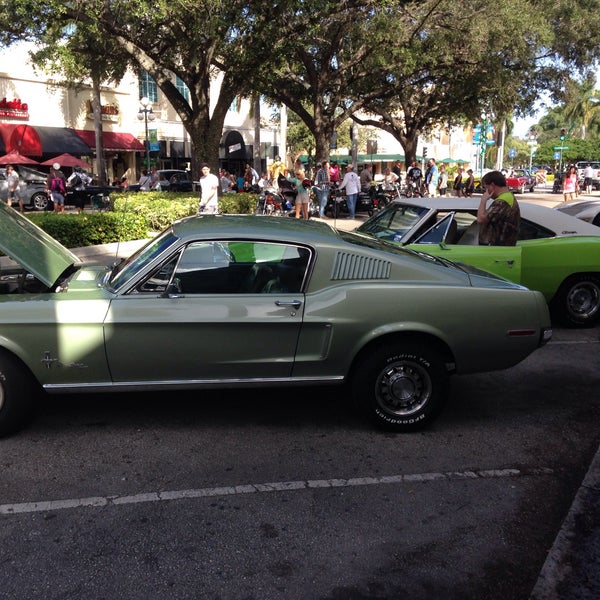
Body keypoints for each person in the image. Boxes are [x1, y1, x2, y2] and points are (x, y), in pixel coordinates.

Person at [477, 170, 520, 246]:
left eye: (486, 188)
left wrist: (483, 201)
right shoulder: (508, 197)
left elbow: (481, 219)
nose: (486, 191)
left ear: (492, 185)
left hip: (499, 249)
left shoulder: (502, 201)